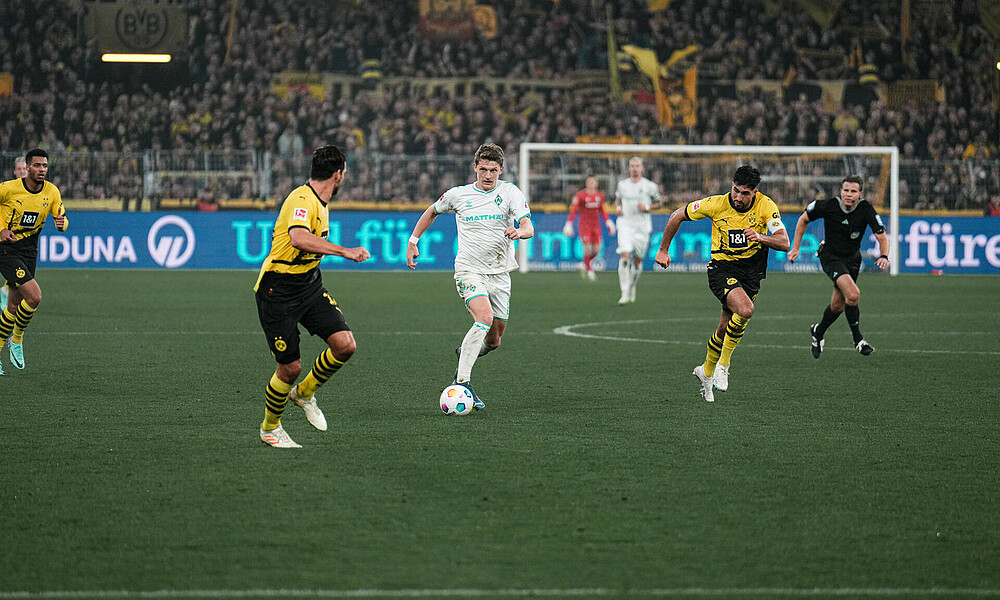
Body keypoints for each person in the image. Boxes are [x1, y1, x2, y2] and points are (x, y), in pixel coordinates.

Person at [253, 145, 371, 448]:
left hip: (308, 285)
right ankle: (270, 428)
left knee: (345, 345)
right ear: (338, 173)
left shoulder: (321, 200)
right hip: (277, 290)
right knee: (289, 367)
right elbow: (298, 237)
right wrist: (345, 251)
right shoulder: (302, 199)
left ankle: (303, 393)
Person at [406, 143, 533, 410]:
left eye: (493, 171)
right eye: (483, 169)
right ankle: (462, 383)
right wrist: (413, 240)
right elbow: (431, 212)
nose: (488, 175)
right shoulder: (458, 195)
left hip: (500, 273)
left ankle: (466, 352)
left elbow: (528, 226)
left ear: (501, 170)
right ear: (474, 168)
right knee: (484, 318)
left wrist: (519, 232)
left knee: (494, 339)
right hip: (468, 269)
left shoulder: (510, 192)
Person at [654, 165, 789, 402]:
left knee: (725, 327)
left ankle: (705, 373)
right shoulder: (716, 204)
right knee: (745, 310)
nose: (738, 197)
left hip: (752, 272)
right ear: (731, 186)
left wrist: (761, 237)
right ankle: (723, 366)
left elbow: (784, 242)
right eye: (736, 190)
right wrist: (663, 249)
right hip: (721, 268)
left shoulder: (766, 206)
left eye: (745, 193)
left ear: (755, 193)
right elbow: (677, 215)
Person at [787, 175, 889, 357]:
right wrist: (796, 248)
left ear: (860, 194)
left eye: (853, 191)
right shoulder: (828, 206)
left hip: (852, 260)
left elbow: (881, 236)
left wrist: (884, 255)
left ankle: (818, 332)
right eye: (846, 190)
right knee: (853, 294)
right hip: (831, 257)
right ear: (840, 191)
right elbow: (803, 219)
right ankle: (858, 340)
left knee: (838, 306)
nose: (849, 194)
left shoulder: (866, 209)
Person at [0, 149, 69, 374]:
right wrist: (1, 229)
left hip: (29, 252)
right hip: (7, 249)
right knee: (34, 296)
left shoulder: (52, 191)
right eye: (38, 166)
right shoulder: (9, 189)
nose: (42, 170)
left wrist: (62, 224)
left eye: (45, 166)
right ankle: (17, 340)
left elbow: (62, 218)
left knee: (12, 305)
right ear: (27, 167)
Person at [614, 157, 662, 305]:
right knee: (624, 255)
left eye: (637, 166)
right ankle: (624, 292)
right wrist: (618, 208)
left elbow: (659, 203)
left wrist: (647, 208)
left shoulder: (649, 186)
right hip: (625, 224)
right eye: (632, 166)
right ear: (629, 168)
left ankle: (631, 286)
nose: (635, 168)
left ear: (642, 168)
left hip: (642, 227)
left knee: (637, 260)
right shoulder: (622, 185)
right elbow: (618, 200)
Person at [563, 176, 615, 280]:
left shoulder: (599, 196)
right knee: (586, 248)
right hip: (584, 225)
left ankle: (583, 263)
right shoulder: (580, 196)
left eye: (593, 182)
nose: (591, 184)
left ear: (596, 184)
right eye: (589, 182)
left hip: (596, 226)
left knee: (597, 250)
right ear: (586, 184)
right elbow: (573, 210)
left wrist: (609, 223)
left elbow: (603, 211)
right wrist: (569, 223)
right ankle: (590, 270)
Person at [1, 158, 28, 310]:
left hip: (17, 240)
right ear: (14, 172)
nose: (22, 171)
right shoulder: (7, 189)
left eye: (24, 168)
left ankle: (6, 291)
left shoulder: (34, 191)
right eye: (19, 169)